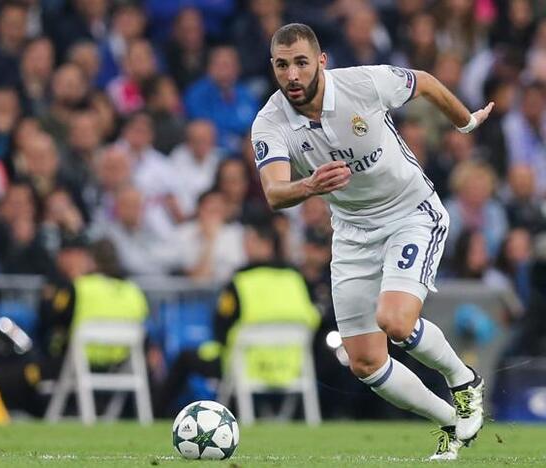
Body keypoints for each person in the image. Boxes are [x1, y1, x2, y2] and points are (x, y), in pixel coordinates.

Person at [252, 23, 492, 460]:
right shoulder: (269, 122)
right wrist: (310, 186)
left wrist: (466, 122)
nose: (293, 75)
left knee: (396, 322)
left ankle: (465, 380)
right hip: (351, 234)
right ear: (273, 68)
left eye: (301, 63)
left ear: (321, 61)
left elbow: (425, 82)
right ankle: (451, 422)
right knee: (364, 361)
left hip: (410, 214)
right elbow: (273, 192)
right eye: (283, 65)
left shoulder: (363, 83)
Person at [154, 221, 319, 417]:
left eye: (250, 241)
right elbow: (313, 318)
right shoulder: (296, 279)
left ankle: (158, 416)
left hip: (244, 365)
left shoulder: (241, 280)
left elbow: (221, 325)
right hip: (293, 366)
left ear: (266, 244)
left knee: (186, 358)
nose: (245, 247)